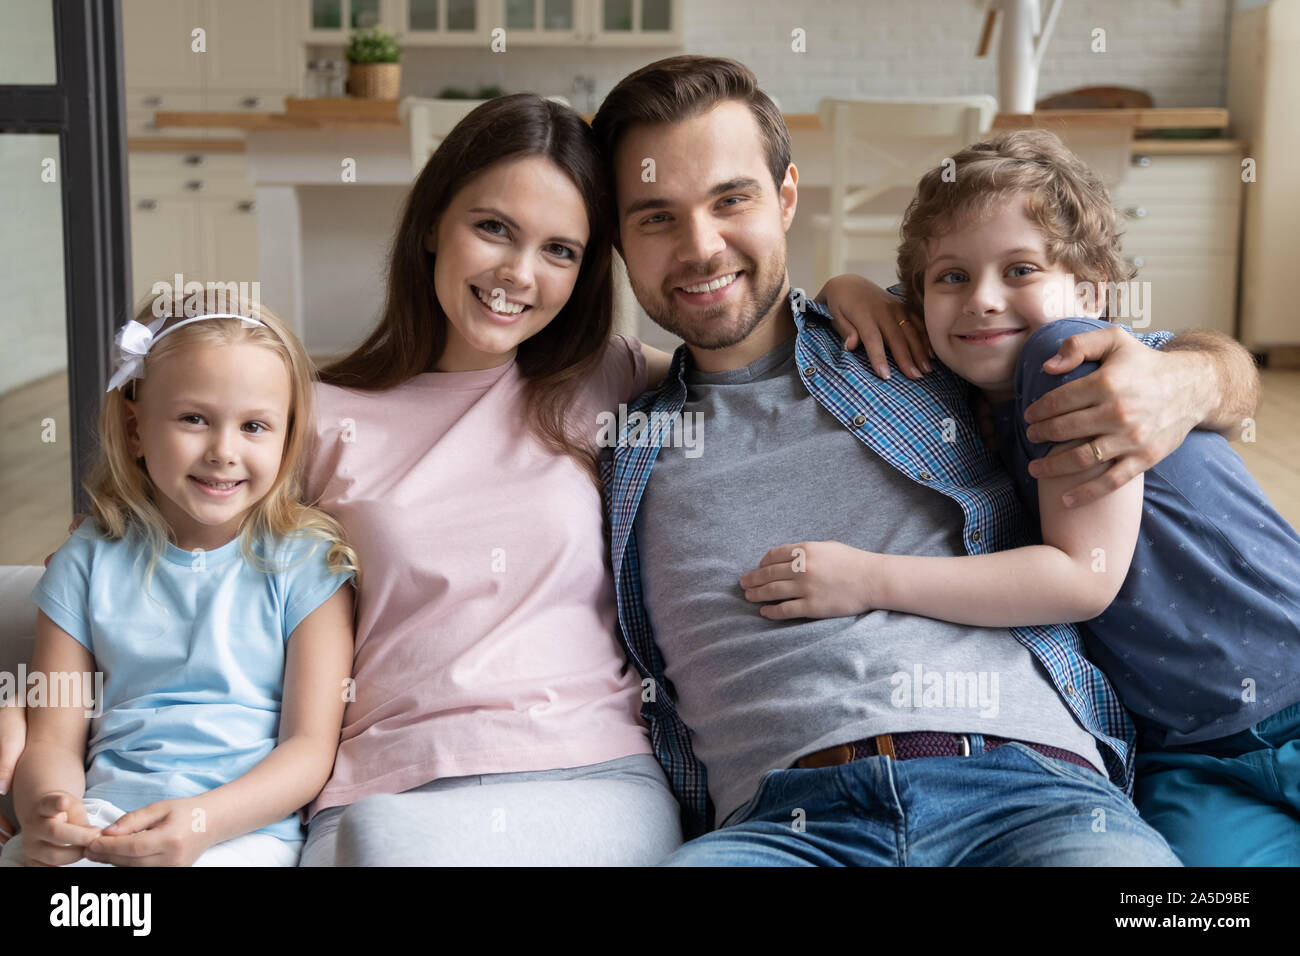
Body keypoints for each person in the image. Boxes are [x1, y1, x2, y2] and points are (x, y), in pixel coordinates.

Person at [0, 92, 898, 866]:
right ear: (435, 222)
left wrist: (848, 293)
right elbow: (153, 544)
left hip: (583, 772)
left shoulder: (608, 381)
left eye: (559, 250)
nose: (518, 274)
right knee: (386, 848)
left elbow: (760, 357)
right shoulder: (318, 411)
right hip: (378, 782)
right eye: (493, 229)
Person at [590, 54, 1261, 865]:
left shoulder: (920, 347)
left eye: (732, 199)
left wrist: (1194, 376)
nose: (702, 246)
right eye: (656, 217)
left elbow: (1193, 362)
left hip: (1031, 792)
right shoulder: (615, 433)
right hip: (781, 830)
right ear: (617, 240)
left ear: (787, 197)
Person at [747, 128, 1299, 865]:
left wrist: (866, 578)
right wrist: (847, 287)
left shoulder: (1077, 357)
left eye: (1021, 269)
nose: (982, 300)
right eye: (951, 278)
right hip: (1191, 751)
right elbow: (900, 306)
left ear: (1092, 295)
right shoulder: (969, 389)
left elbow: (1080, 580)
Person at [0, 291, 357, 867]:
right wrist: (49, 809)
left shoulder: (310, 563)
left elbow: (309, 748)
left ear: (288, 438)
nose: (223, 451)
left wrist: (202, 821)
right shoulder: (85, 560)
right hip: (105, 820)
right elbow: (51, 739)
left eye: (255, 426)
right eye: (194, 418)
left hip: (239, 829)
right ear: (135, 428)